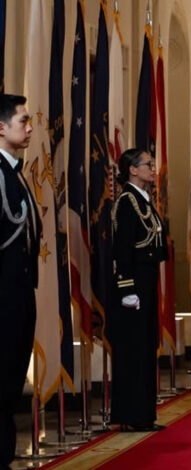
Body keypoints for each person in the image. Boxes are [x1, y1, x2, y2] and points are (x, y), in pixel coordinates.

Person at [109, 148, 168, 432]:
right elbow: (122, 247)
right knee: (134, 349)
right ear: (132, 169)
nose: (153, 168)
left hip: (146, 277)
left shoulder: (142, 198)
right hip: (134, 283)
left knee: (145, 347)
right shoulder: (127, 201)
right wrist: (127, 287)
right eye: (148, 164)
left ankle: (143, 413)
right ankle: (132, 414)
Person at [0, 94, 38, 468]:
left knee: (11, 384)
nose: (29, 128)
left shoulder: (15, 173)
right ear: (1, 127)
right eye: (23, 120)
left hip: (19, 294)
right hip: (4, 296)